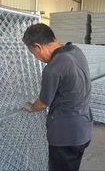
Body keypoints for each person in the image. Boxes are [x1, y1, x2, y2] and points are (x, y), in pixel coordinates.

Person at [22, 23, 93, 171]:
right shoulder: (76, 51)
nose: (37, 58)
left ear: (37, 47)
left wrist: (30, 107)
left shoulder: (53, 68)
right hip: (84, 128)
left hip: (65, 136)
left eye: (33, 54)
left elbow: (42, 103)